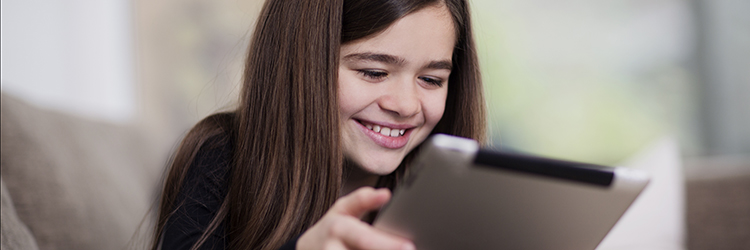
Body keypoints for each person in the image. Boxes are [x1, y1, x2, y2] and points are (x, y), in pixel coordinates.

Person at [150, 0, 486, 249]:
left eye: (431, 79)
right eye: (373, 72)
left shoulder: (463, 193)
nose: (406, 105)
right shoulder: (220, 157)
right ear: (303, 64)